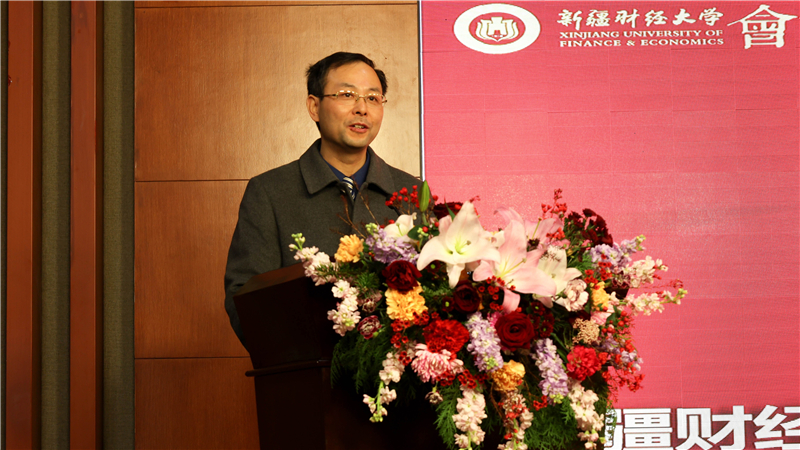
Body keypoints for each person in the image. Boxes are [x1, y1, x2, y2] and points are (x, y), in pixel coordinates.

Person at [224, 52, 421, 348]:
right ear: (314, 107)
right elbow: (246, 298)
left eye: (373, 98)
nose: (362, 108)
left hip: (396, 369)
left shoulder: (410, 192)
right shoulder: (270, 192)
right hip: (305, 371)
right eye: (347, 95)